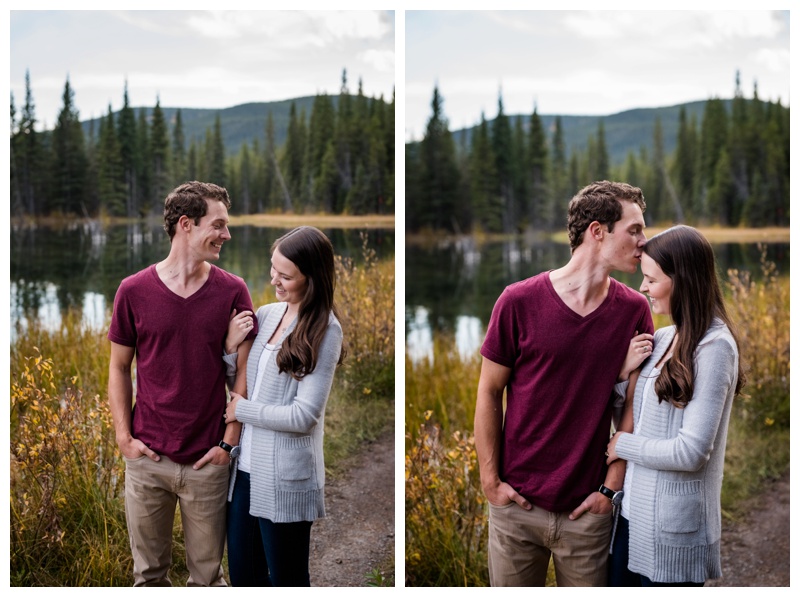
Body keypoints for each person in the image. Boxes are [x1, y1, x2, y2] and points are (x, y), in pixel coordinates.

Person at [475, 180, 655, 587]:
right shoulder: (517, 301)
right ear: (597, 231)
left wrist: (609, 492)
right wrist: (491, 484)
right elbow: (489, 392)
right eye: (634, 229)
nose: (644, 242)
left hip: (587, 512)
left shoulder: (635, 310)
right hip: (516, 508)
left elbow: (634, 407)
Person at [108, 181, 257, 586]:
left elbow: (244, 376)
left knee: (208, 579)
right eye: (219, 225)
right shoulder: (133, 291)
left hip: (208, 461)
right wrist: (125, 439)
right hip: (146, 459)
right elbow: (119, 369)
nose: (226, 235)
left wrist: (228, 443)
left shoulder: (233, 291)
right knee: (149, 577)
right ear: (186, 225)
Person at [607, 225, 745, 586]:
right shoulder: (665, 336)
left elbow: (692, 452)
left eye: (651, 279)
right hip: (632, 519)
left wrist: (623, 446)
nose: (643, 288)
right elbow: (633, 417)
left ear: (682, 280)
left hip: (674, 532)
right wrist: (623, 376)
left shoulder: (715, 348)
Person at [221, 226, 344, 587]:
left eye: (286, 275)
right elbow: (243, 385)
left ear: (312, 277)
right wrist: (230, 348)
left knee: (287, 580)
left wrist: (241, 411)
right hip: (244, 470)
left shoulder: (326, 330)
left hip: (285, 477)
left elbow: (305, 416)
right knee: (245, 578)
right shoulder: (268, 313)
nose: (275, 279)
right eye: (274, 268)